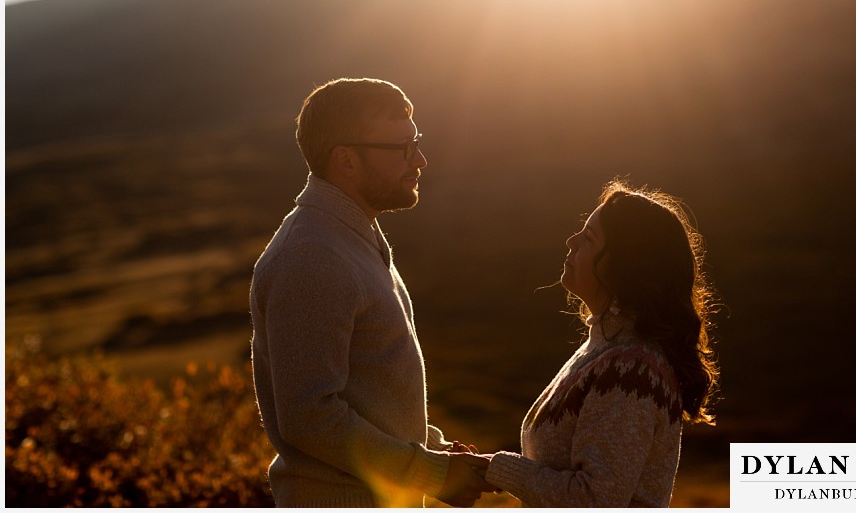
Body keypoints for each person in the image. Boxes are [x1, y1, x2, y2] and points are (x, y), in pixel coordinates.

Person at [248, 77, 493, 507]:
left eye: (416, 141)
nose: (420, 159)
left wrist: (433, 449)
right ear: (346, 160)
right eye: (401, 148)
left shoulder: (348, 237)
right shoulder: (312, 258)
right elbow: (309, 417)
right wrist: (431, 471)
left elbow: (367, 396)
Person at [480, 179, 720, 507]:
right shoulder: (603, 350)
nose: (571, 241)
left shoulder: (632, 370)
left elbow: (595, 499)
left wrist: (499, 469)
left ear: (623, 266)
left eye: (589, 238)